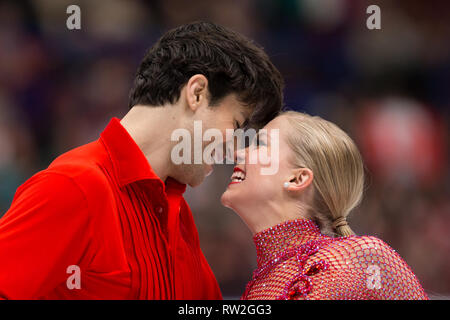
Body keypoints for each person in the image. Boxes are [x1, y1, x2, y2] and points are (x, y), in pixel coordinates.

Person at [0, 21, 284, 299]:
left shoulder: (179, 216)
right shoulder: (75, 187)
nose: (235, 148)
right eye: (236, 124)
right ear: (197, 93)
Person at [221, 111, 429, 300]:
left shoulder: (361, 259)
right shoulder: (259, 287)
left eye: (261, 144)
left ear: (297, 179)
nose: (240, 153)